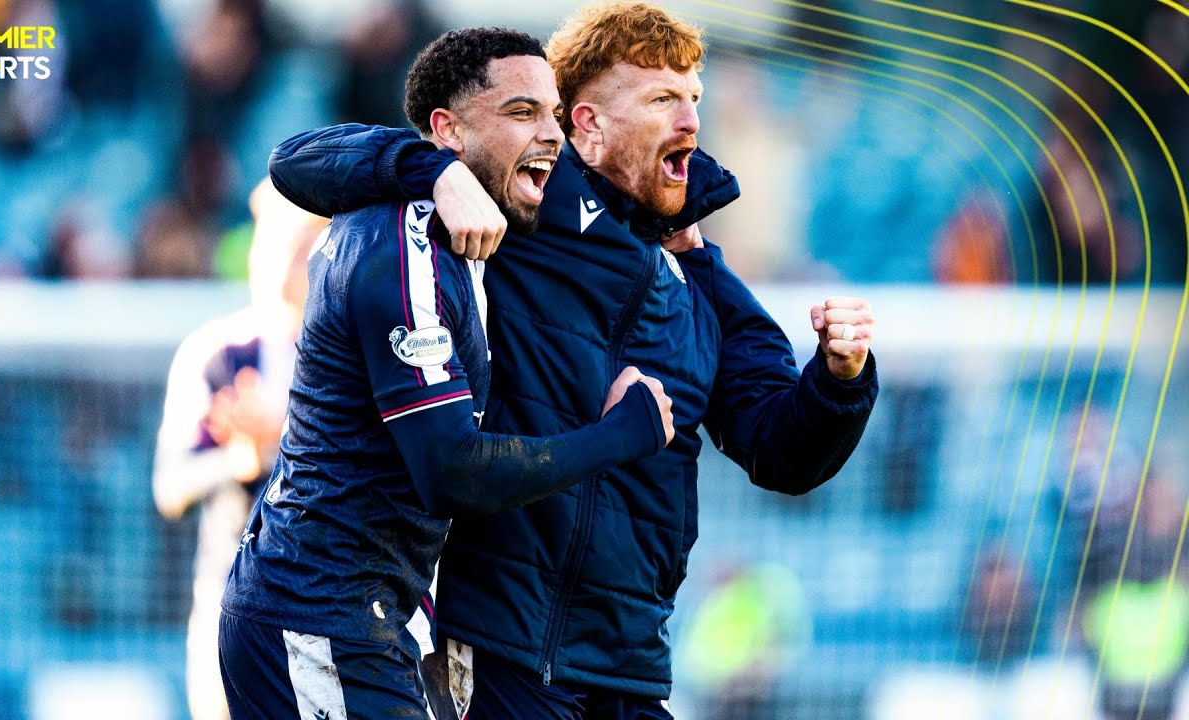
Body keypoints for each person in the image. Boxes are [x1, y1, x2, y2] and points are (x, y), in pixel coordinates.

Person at [268, 3, 879, 716]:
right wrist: (431, 170)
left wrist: (839, 381)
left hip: (633, 662)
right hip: (499, 649)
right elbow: (298, 161)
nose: (690, 121)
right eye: (661, 100)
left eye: (694, 99)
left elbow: (782, 453)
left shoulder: (703, 280)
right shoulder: (522, 196)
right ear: (585, 123)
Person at [218, 28, 675, 720]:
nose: (549, 132)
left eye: (553, 113)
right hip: (319, 618)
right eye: (522, 112)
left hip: (380, 618)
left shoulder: (502, 226)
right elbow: (451, 469)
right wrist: (619, 435)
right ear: (448, 129)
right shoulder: (401, 246)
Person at [152, 178, 327, 720]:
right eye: (272, 245)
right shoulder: (216, 354)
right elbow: (171, 487)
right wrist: (241, 458)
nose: (282, 265)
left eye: (300, 251)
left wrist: (286, 438)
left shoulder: (347, 362)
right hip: (228, 607)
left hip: (323, 612)